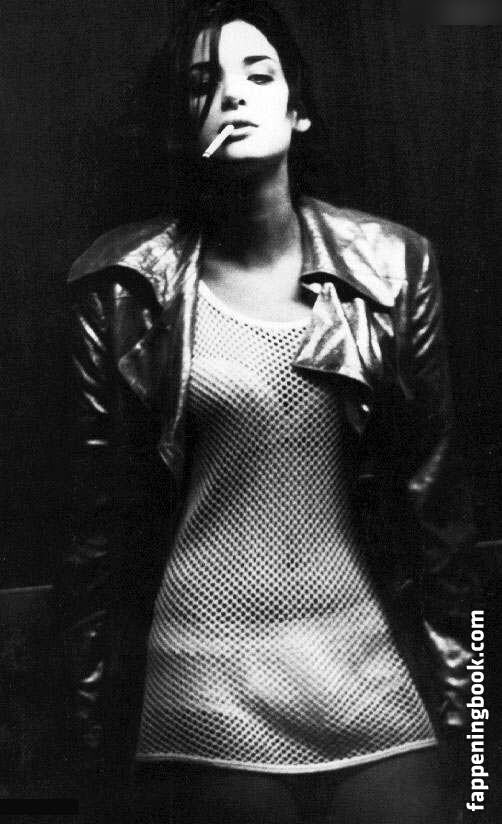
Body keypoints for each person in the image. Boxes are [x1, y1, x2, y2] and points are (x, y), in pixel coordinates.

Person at [58, 1, 476, 822]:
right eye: (203, 84)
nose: (233, 95)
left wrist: (481, 740)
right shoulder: (119, 285)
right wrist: (90, 752)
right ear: (180, 124)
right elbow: (94, 537)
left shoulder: (396, 267)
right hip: (201, 685)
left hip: (368, 672)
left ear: (298, 108)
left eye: (259, 74)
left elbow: (439, 521)